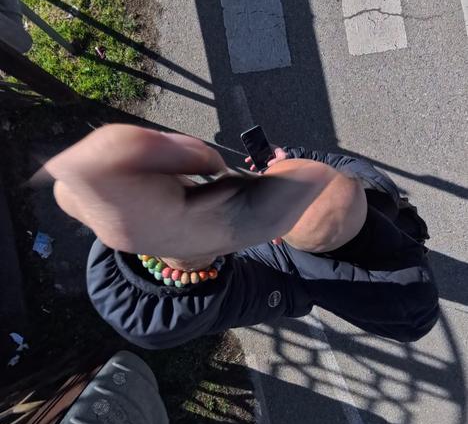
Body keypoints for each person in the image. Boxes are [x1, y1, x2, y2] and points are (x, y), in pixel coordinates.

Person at [44, 124, 439, 349]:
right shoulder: (371, 187)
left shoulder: (281, 273)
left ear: (277, 235)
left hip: (361, 276)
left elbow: (153, 322)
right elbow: (338, 166)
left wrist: (186, 256)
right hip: (393, 237)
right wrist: (291, 158)